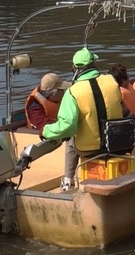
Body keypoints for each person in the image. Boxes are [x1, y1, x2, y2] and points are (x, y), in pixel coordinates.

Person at [41, 48, 129, 191]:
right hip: (117, 144)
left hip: (90, 149)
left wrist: (45, 131)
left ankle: (68, 182)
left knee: (70, 139)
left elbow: (66, 126)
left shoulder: (72, 92)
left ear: (75, 68)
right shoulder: (112, 81)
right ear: (94, 63)